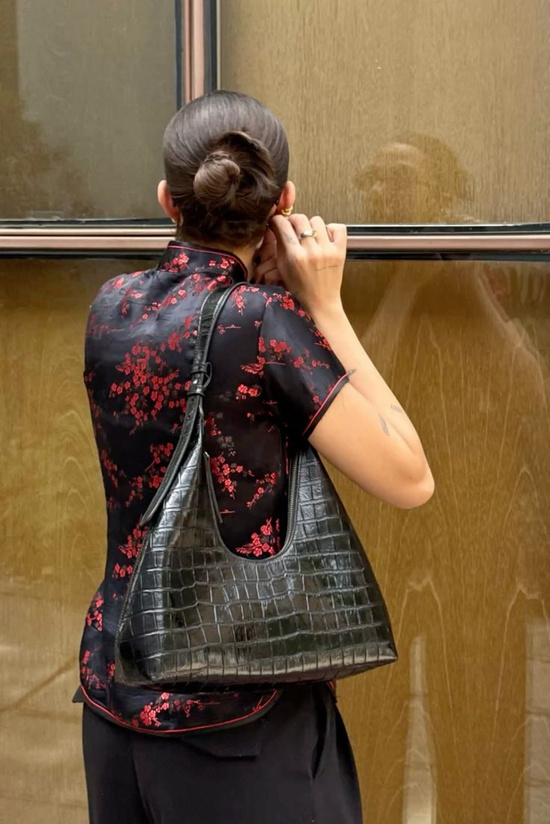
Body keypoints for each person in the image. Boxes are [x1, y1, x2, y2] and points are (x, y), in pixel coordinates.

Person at [75, 90, 434, 824]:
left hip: (115, 691)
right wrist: (322, 307)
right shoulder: (266, 321)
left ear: (167, 200)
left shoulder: (112, 305)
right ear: (284, 202)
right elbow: (409, 477)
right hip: (242, 716)